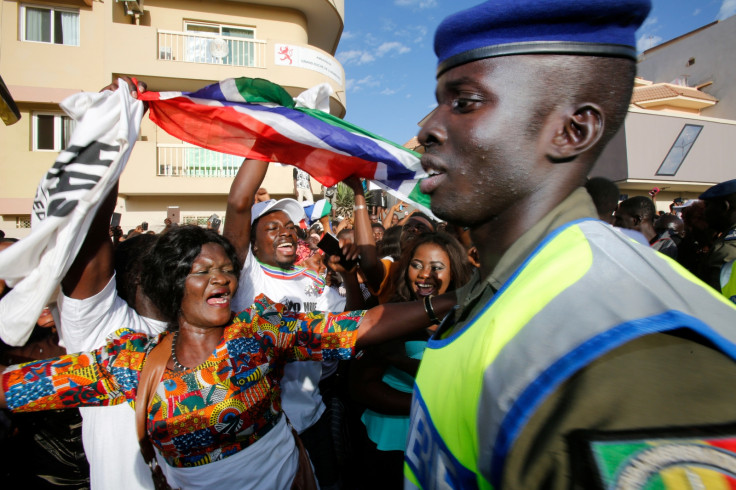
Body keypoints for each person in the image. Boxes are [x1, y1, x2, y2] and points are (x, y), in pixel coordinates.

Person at [404, 1, 736, 489]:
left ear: (571, 131)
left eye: (465, 102)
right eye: (438, 101)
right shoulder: (505, 285)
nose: (427, 127)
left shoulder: (622, 347)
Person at [0, 225, 456, 489]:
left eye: (225, 269)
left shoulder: (260, 332)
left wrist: (450, 303)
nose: (221, 279)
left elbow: (358, 325)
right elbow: (24, 386)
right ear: (172, 284)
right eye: (203, 271)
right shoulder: (133, 364)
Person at [351, 232, 472, 489]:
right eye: (417, 265)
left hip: (445, 443)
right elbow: (362, 386)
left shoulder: (470, 319)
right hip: (392, 441)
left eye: (436, 267)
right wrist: (427, 407)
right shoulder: (392, 317)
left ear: (455, 273)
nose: (424, 274)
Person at [699, 179, 736, 294]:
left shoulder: (726, 250)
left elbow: (713, 301)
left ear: (724, 207)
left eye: (707, 206)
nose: (703, 212)